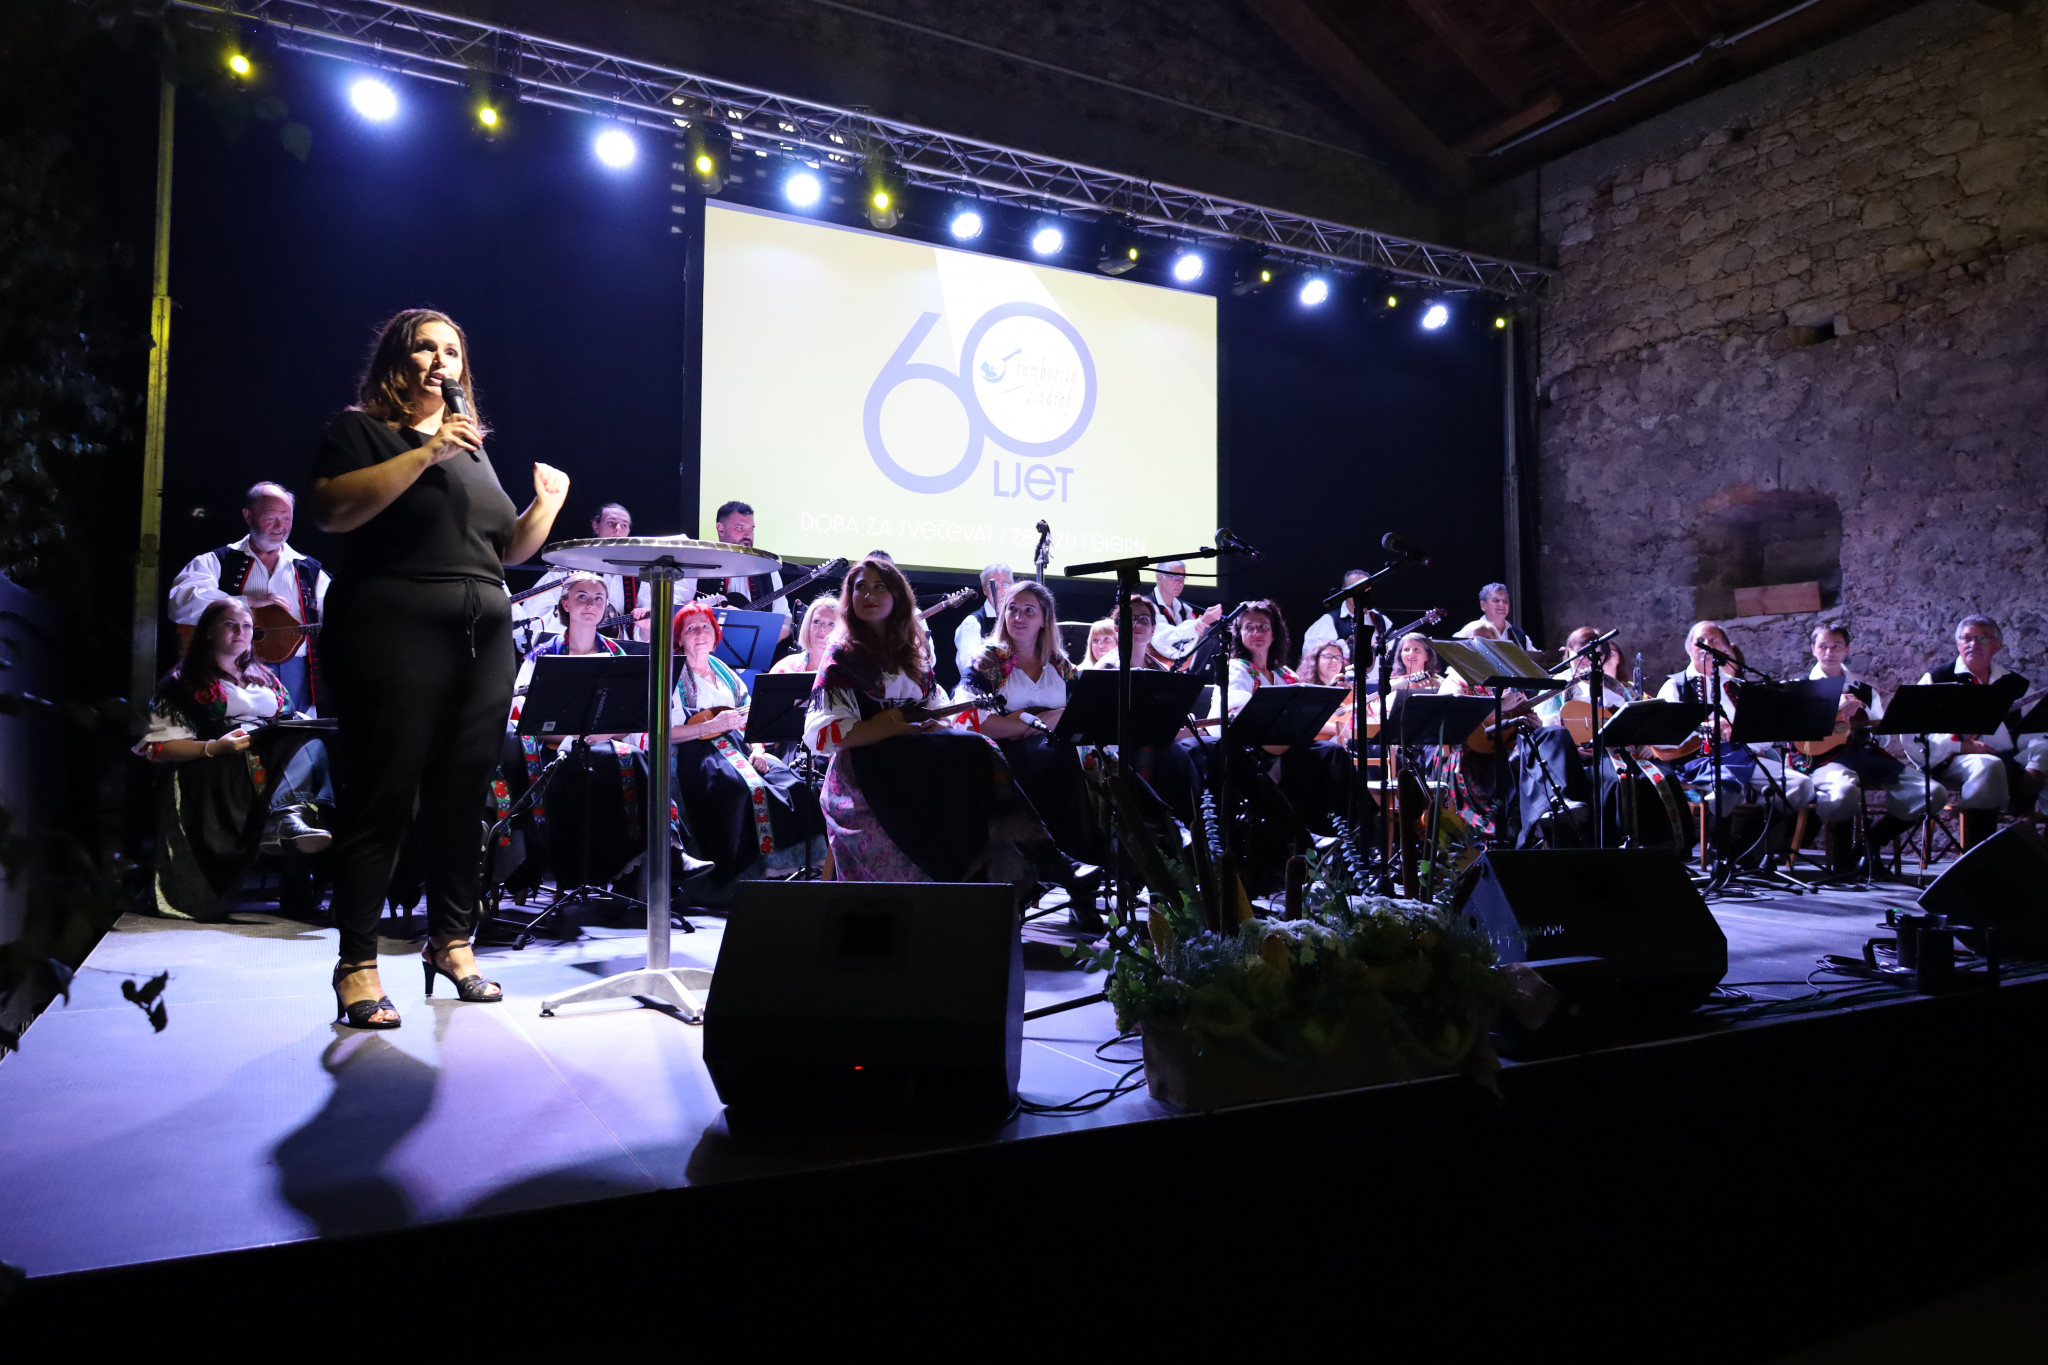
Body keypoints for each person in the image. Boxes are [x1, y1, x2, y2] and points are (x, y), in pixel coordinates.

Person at [308, 307, 568, 1029]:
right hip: (393, 628)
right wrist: (425, 451)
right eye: (424, 348)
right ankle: (357, 963)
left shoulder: (473, 450)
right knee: (383, 797)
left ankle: (452, 941)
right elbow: (330, 512)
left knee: (462, 798)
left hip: (484, 636)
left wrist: (544, 507)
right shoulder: (362, 431)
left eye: (451, 351)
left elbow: (504, 550)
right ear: (398, 360)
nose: (439, 361)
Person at [802, 555, 1095, 906]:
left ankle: (1048, 860)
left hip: (918, 762)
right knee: (978, 748)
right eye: (860, 587)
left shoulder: (911, 654)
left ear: (897, 596)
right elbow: (826, 734)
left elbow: (939, 709)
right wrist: (892, 726)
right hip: (868, 771)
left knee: (983, 752)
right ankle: (1049, 859)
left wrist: (933, 722)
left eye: (879, 586)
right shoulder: (842, 655)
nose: (868, 594)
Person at [135, 598, 336, 920]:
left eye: (246, 626)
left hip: (270, 756)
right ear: (208, 631)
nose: (240, 632)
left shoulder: (265, 678)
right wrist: (213, 747)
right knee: (292, 753)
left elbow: (288, 719)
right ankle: (283, 819)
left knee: (315, 742)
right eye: (230, 624)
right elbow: (157, 748)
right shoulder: (182, 682)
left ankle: (288, 823)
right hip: (217, 763)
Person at [499, 572, 647, 898]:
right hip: (552, 750)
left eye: (598, 598)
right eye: (582, 596)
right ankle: (564, 868)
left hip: (604, 746)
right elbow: (524, 718)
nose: (591, 604)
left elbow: (630, 716)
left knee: (632, 759)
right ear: (565, 604)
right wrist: (571, 740)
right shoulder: (542, 655)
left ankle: (632, 867)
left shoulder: (617, 655)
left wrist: (594, 738)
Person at [666, 600, 822, 886]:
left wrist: (759, 749)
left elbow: (751, 714)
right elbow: (665, 732)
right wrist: (710, 727)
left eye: (705, 627)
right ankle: (741, 876)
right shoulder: (674, 674)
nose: (699, 633)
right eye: (690, 628)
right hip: (695, 752)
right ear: (679, 639)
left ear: (715, 634)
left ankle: (792, 871)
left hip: (738, 745)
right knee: (741, 789)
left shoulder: (723, 670)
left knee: (792, 784)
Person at [958, 580, 1101, 870]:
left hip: (1058, 750)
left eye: (1029, 610)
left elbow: (1083, 710)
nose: (1019, 617)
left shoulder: (1058, 663)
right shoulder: (989, 661)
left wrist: (1055, 716)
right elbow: (966, 720)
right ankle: (1069, 857)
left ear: (1044, 619)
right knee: (1056, 757)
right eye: (1012, 609)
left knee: (1105, 760)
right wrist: (1031, 724)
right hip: (1008, 755)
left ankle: (1121, 848)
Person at [168, 482, 330, 710]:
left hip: (296, 673)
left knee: (294, 728)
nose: (280, 526)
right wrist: (245, 602)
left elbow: (336, 615)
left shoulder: (310, 570)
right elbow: (179, 602)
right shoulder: (218, 561)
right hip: (229, 671)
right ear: (248, 515)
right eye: (271, 518)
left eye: (286, 518)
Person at [1800, 624, 1942, 869]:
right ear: (1813, 650)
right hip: (1824, 759)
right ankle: (1841, 864)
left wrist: (1862, 711)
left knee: (1932, 793)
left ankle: (1870, 842)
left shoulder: (1863, 690)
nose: (1829, 652)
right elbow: (1799, 736)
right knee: (1844, 793)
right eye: (1822, 646)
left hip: (1865, 755)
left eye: (1836, 646)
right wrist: (1835, 708)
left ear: (1847, 650)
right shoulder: (1801, 687)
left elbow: (1882, 739)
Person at [1654, 621, 1815, 819]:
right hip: (1700, 761)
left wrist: (1742, 730)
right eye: (1700, 640)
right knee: (1726, 790)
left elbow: (1763, 740)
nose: (1707, 645)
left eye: (1714, 640)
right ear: (1689, 649)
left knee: (1802, 785)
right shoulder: (1675, 686)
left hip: (1744, 758)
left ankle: (1752, 829)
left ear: (1724, 649)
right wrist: (1707, 728)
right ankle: (1723, 828)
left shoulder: (1736, 687)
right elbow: (1663, 735)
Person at [1916, 615, 2044, 847]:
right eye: (1967, 638)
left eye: (1983, 639)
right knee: (1987, 765)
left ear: (1998, 646)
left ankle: (2040, 854)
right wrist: (1962, 745)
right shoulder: (1937, 679)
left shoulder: (2015, 685)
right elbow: (1915, 733)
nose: (1973, 644)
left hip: (2010, 758)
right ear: (1958, 643)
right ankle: (1977, 851)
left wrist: (2036, 763)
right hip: (1952, 759)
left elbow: (2038, 730)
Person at [512, 502, 652, 649]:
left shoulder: (636, 576)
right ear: (595, 526)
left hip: (618, 654)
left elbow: (641, 635)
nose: (618, 529)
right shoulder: (572, 567)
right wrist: (574, 624)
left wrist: (645, 629)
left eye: (624, 525)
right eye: (611, 523)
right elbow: (535, 613)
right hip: (571, 651)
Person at [680, 500, 792, 642]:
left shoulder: (768, 570)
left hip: (754, 653)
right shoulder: (696, 564)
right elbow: (676, 612)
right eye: (740, 528)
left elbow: (785, 619)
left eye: (751, 529)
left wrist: (765, 637)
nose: (747, 535)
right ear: (721, 529)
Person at [1299, 569, 1376, 671]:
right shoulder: (1329, 621)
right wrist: (1344, 646)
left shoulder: (1379, 619)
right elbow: (1311, 655)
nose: (1360, 592)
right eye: (1355, 588)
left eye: (1364, 588)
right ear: (1344, 591)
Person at [1150, 560, 1220, 662]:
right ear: (1160, 578)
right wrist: (1200, 622)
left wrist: (1200, 633)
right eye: (1175, 578)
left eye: (1183, 578)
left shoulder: (1185, 609)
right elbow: (1166, 641)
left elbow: (1194, 643)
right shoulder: (1148, 607)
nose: (1180, 583)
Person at [953, 562, 1013, 680]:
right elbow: (967, 669)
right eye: (992, 586)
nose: (998, 591)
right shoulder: (972, 623)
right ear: (984, 589)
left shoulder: (1018, 619)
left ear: (1013, 585)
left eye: (1004, 584)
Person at [771, 596, 841, 676]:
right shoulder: (784, 668)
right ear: (807, 626)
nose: (822, 629)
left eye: (831, 624)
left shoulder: (849, 670)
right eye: (817, 621)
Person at [1454, 583, 1533, 649]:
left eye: (1505, 600)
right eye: (1496, 600)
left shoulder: (1520, 637)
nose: (1502, 604)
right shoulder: (1465, 635)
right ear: (1483, 605)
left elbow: (1535, 660)